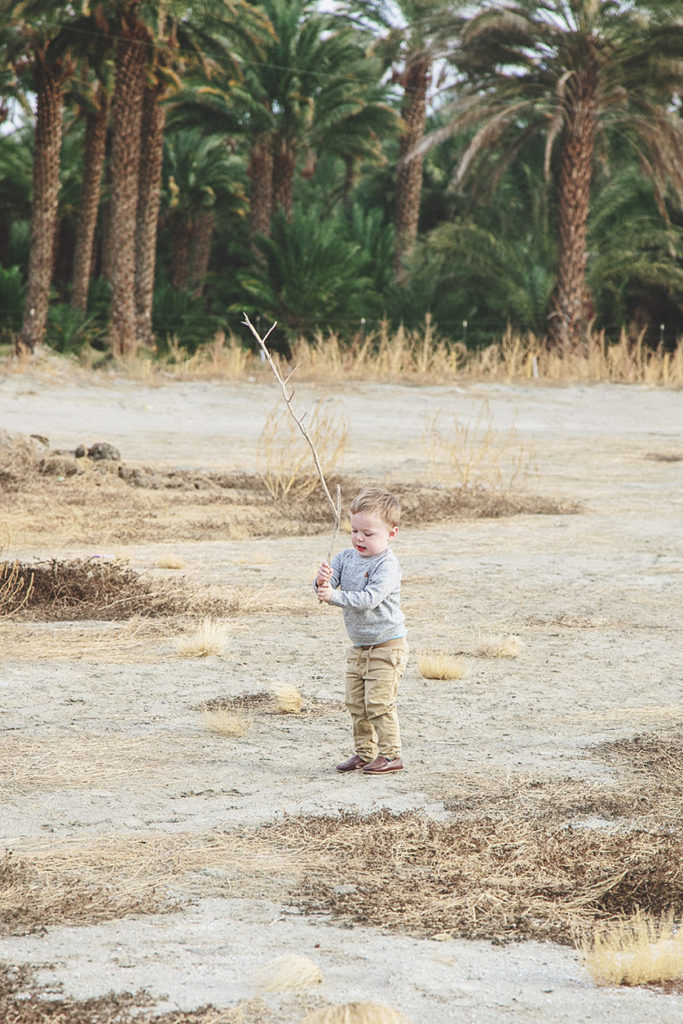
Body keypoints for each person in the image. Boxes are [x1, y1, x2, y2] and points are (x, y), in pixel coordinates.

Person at [315, 487, 409, 774]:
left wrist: (334, 596)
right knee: (356, 704)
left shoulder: (387, 564)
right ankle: (365, 754)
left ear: (391, 534)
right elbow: (327, 589)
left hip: (387, 648)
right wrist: (320, 582)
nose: (359, 538)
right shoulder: (345, 558)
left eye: (369, 534)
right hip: (359, 648)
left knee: (378, 703)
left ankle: (391, 756)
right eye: (354, 530)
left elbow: (369, 600)